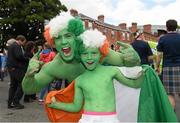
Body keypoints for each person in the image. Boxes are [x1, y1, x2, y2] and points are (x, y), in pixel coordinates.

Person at [47, 29, 177, 122]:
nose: (89, 57)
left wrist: (143, 73)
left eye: (93, 53)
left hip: (110, 119)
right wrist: (56, 105)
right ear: (79, 56)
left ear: (101, 54)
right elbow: (76, 107)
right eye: (85, 54)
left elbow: (134, 84)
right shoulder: (80, 80)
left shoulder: (111, 71)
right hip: (86, 119)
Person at [22, 13, 140, 94]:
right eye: (58, 38)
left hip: (108, 103)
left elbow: (126, 62)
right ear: (53, 41)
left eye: (68, 36)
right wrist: (29, 75)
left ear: (77, 37)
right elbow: (29, 89)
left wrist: (133, 58)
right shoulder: (56, 66)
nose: (63, 42)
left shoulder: (93, 48)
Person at [156, 19, 180, 109]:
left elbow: (159, 55)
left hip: (168, 68)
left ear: (166, 28)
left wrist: (157, 66)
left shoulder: (163, 39)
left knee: (170, 94)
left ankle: (172, 118)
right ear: (176, 27)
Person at [7, 35, 27, 109]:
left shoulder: (11, 46)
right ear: (20, 40)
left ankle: (10, 103)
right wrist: (26, 59)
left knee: (13, 86)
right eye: (24, 42)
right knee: (22, 84)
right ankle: (16, 102)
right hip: (16, 68)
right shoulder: (16, 46)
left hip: (11, 68)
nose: (24, 44)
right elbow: (19, 56)